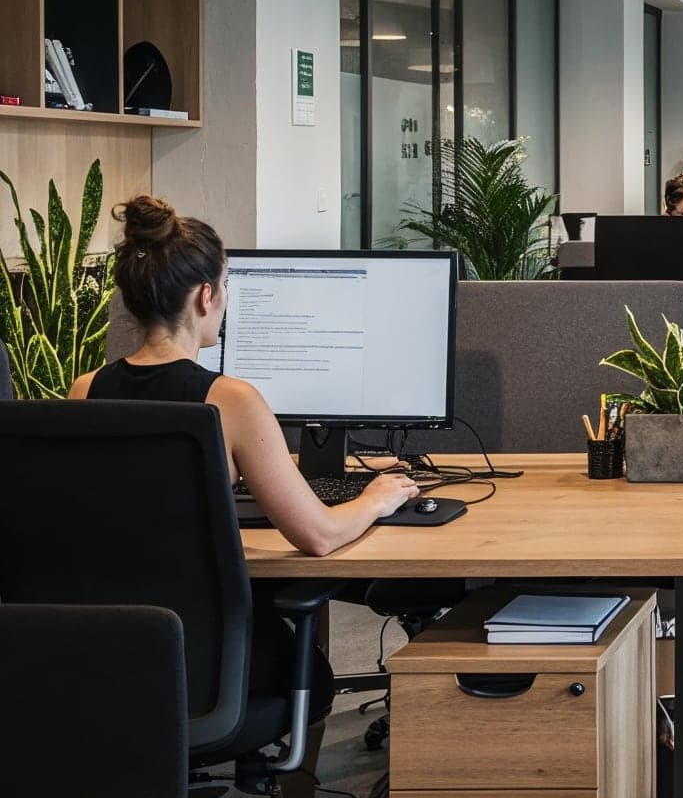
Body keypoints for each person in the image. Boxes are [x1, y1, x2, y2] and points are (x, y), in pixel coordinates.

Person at [70, 195, 421, 557]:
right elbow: (319, 536)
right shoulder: (231, 402)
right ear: (205, 297)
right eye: (225, 285)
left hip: (105, 610)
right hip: (202, 612)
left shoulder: (85, 391)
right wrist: (375, 500)